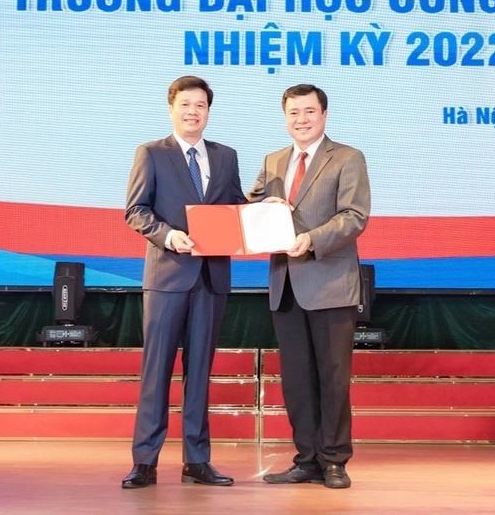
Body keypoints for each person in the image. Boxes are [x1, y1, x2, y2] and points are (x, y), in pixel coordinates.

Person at [122, 75, 245, 489]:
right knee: (156, 371)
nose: (193, 112)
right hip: (167, 276)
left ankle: (197, 460)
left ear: (209, 111)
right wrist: (168, 235)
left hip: (212, 278)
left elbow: (236, 208)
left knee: (200, 372)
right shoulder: (152, 153)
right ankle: (145, 461)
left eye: (200, 105)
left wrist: (268, 210)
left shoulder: (226, 157)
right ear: (171, 108)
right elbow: (136, 210)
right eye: (185, 105)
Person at [249, 83, 370, 489]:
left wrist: (312, 239)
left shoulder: (348, 158)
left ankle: (334, 460)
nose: (301, 120)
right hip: (285, 284)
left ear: (324, 115)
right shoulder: (273, 161)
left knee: (333, 377)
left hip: (330, 281)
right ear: (285, 117)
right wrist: (258, 208)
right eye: (293, 113)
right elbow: (250, 206)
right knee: (297, 380)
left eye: (309, 112)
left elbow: (354, 216)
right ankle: (306, 459)